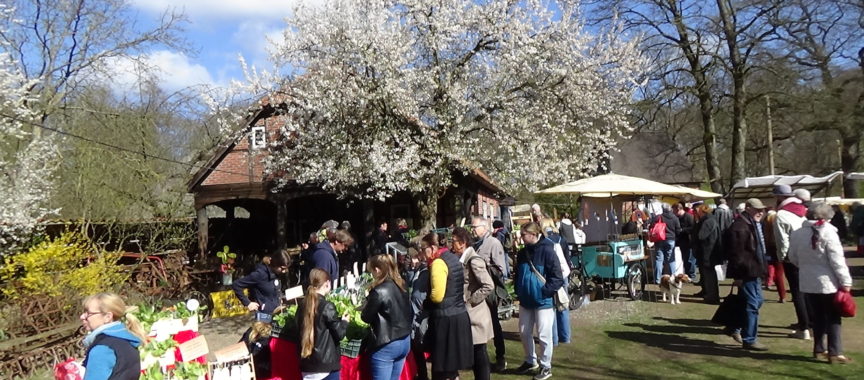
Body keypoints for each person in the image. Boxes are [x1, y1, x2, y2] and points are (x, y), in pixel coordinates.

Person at [788, 202, 853, 364]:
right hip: (828, 281)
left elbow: (793, 257)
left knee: (817, 317)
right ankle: (835, 352)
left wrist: (806, 267)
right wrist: (846, 281)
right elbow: (837, 261)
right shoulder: (829, 233)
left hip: (807, 280)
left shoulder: (797, 234)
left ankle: (819, 348)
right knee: (833, 317)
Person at [514, 222, 563, 380]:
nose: (520, 238)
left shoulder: (548, 251)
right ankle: (530, 360)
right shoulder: (522, 253)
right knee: (524, 332)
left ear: (533, 234)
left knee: (544, 335)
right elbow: (518, 274)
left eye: (523, 235)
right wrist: (519, 291)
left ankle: (546, 366)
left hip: (543, 302)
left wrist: (544, 292)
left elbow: (557, 278)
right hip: (525, 300)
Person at [426, 231, 473, 380]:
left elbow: (437, 295)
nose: (423, 253)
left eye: (423, 249)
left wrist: (425, 302)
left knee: (443, 370)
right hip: (458, 314)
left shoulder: (439, 263)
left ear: (433, 248)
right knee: (451, 370)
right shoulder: (454, 258)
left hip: (446, 320)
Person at [451, 227, 494, 380]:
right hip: (470, 316)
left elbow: (488, 285)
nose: (452, 244)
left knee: (480, 353)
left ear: (462, 243)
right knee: (476, 355)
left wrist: (470, 300)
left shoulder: (474, 261)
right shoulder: (463, 260)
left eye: (454, 241)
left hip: (477, 315)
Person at [726, 198, 769, 351]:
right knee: (753, 303)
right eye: (757, 209)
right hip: (747, 272)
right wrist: (738, 276)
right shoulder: (740, 227)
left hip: (752, 270)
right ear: (748, 208)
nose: (761, 212)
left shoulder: (749, 224)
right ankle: (749, 339)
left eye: (762, 210)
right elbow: (736, 255)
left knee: (755, 302)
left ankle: (736, 327)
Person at [363, 254, 413, 380]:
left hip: (386, 343)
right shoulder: (402, 285)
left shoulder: (379, 291)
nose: (372, 275)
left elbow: (366, 317)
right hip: (404, 340)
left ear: (378, 270)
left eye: (372, 271)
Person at [773, 184, 811, 340]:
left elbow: (782, 240)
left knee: (797, 292)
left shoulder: (781, 214)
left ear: (780, 197)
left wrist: (782, 257)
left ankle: (804, 327)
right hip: (807, 255)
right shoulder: (802, 212)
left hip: (791, 257)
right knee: (807, 290)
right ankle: (811, 322)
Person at [80, 293, 147, 380]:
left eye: (88, 313)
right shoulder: (128, 340)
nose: (82, 317)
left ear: (107, 317)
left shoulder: (102, 348)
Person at [471, 216, 508, 371]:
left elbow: (502, 270)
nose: (472, 230)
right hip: (476, 291)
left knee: (494, 324)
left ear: (484, 227)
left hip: (489, 292)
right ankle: (479, 359)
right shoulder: (474, 245)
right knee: (478, 326)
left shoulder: (493, 243)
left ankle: (501, 357)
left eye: (474, 227)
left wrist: (484, 265)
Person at [298, 268, 348, 380]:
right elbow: (339, 333)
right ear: (327, 283)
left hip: (307, 365)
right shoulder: (327, 306)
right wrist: (344, 322)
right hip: (326, 366)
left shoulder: (302, 305)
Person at [540, 218, 571, 346]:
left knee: (551, 307)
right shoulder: (561, 239)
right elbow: (568, 258)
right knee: (563, 304)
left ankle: (554, 339)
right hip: (563, 274)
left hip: (550, 275)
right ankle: (565, 336)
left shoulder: (543, 241)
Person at [410, 235, 436, 380]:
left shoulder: (430, 269)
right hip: (416, 316)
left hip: (424, 315)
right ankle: (422, 375)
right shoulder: (420, 269)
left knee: (426, 346)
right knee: (417, 347)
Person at [694, 204, 721, 304]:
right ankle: (708, 293)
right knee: (707, 274)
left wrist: (697, 223)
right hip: (708, 251)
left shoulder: (708, 221)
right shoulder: (710, 219)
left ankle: (712, 296)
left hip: (708, 252)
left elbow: (701, 235)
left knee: (709, 275)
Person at [651, 203, 682, 284]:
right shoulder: (675, 218)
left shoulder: (658, 217)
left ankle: (657, 279)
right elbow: (678, 230)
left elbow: (651, 226)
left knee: (659, 259)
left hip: (659, 239)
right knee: (671, 259)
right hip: (671, 240)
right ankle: (673, 278)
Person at [763, 212, 787, 303]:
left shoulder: (765, 225)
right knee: (780, 273)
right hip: (778, 249)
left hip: (769, 249)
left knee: (772, 270)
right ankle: (783, 295)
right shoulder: (777, 225)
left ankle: (781, 295)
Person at [674, 202, 697, 280]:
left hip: (689, 241)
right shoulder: (677, 217)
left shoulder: (689, 217)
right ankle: (687, 274)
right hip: (682, 241)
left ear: (678, 209)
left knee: (690, 259)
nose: (673, 213)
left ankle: (691, 275)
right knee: (685, 258)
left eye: (674, 210)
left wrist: (682, 230)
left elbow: (693, 228)